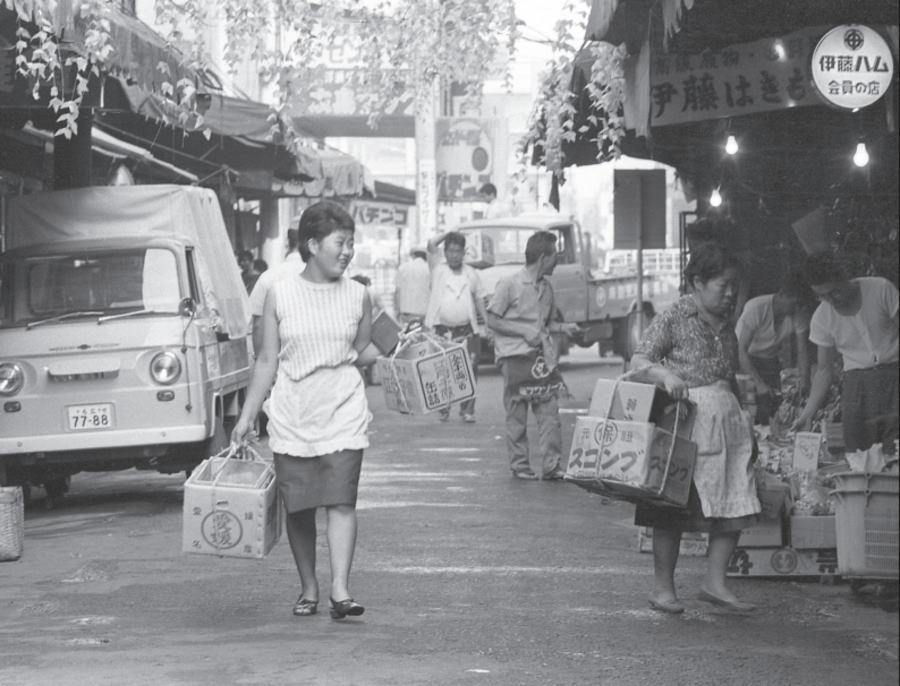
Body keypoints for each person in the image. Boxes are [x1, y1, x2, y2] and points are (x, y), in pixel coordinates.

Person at [231, 200, 378, 620]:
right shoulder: (282, 294)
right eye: (340, 242)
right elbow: (266, 361)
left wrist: (399, 354)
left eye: (351, 243)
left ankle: (340, 590)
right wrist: (246, 416)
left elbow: (362, 349)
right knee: (299, 507)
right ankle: (308, 586)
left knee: (341, 501)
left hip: (344, 409)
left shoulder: (359, 294)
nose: (348, 251)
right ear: (313, 244)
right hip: (293, 411)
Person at [628, 241, 761, 615]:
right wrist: (665, 374)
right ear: (697, 282)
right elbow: (640, 359)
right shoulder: (675, 316)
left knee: (735, 503)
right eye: (723, 285)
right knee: (671, 508)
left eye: (734, 284)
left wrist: (745, 422)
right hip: (684, 424)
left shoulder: (727, 328)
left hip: (728, 425)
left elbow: (728, 378)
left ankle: (714, 583)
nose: (731, 293)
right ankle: (662, 589)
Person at [487, 231, 581, 480]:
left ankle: (552, 465)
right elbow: (492, 319)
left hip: (540, 360)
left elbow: (545, 326)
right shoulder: (510, 284)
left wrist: (564, 328)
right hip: (514, 358)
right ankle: (520, 465)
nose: (557, 261)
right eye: (555, 256)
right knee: (517, 415)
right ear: (543, 258)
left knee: (549, 413)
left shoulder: (547, 288)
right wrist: (523, 331)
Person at [791, 252, 898, 454]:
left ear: (843, 276)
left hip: (895, 377)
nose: (831, 299)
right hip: (857, 388)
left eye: (834, 291)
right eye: (822, 295)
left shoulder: (880, 288)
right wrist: (808, 413)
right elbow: (824, 371)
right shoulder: (822, 318)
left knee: (895, 451)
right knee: (859, 453)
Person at [426, 230, 488, 423]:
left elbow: (479, 300)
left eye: (457, 251)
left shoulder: (471, 273)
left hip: (467, 330)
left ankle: (467, 410)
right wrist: (449, 232)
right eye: (450, 250)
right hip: (441, 330)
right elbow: (431, 244)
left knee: (470, 369)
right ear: (445, 252)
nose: (453, 255)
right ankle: (444, 408)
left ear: (464, 252)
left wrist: (488, 323)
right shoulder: (438, 269)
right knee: (442, 370)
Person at [735, 271, 812, 424]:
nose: (798, 308)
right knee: (748, 410)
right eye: (795, 303)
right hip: (744, 360)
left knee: (772, 409)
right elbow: (740, 351)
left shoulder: (798, 312)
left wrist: (805, 381)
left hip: (769, 360)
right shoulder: (756, 308)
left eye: (800, 305)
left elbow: (802, 350)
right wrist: (759, 384)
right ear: (782, 294)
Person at [248, 229, 303, 355]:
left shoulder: (268, 277)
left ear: (288, 244)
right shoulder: (324, 278)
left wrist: (260, 361)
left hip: (279, 363)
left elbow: (258, 326)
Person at [394, 247, 431, 326]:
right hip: (424, 313)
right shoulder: (430, 269)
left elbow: (397, 291)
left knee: (406, 335)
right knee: (422, 336)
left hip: (406, 312)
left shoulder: (402, 268)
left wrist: (397, 310)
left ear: (413, 255)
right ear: (426, 256)